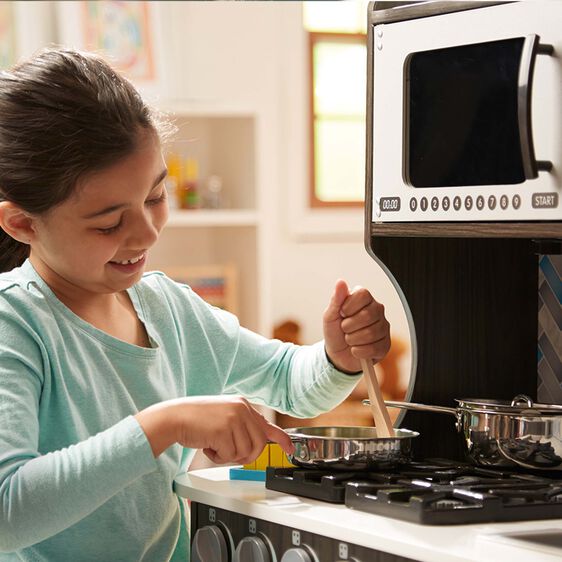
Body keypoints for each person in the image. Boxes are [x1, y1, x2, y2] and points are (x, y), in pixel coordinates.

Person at [0, 48, 391, 561]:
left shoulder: (169, 310)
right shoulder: (16, 325)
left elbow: (290, 381)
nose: (147, 231)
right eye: (109, 223)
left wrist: (337, 355)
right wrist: (167, 424)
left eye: (156, 196)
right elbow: (8, 514)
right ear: (24, 224)